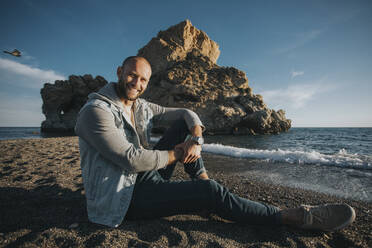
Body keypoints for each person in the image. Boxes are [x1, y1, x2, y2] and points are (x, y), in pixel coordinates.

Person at [75, 56, 356, 231]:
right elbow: (132, 160)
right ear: (119, 72)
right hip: (124, 199)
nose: (136, 82)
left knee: (180, 130)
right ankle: (293, 217)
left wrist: (195, 139)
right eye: (132, 75)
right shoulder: (96, 111)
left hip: (143, 178)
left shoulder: (139, 105)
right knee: (210, 191)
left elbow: (187, 114)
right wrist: (177, 153)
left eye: (143, 79)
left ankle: (204, 184)